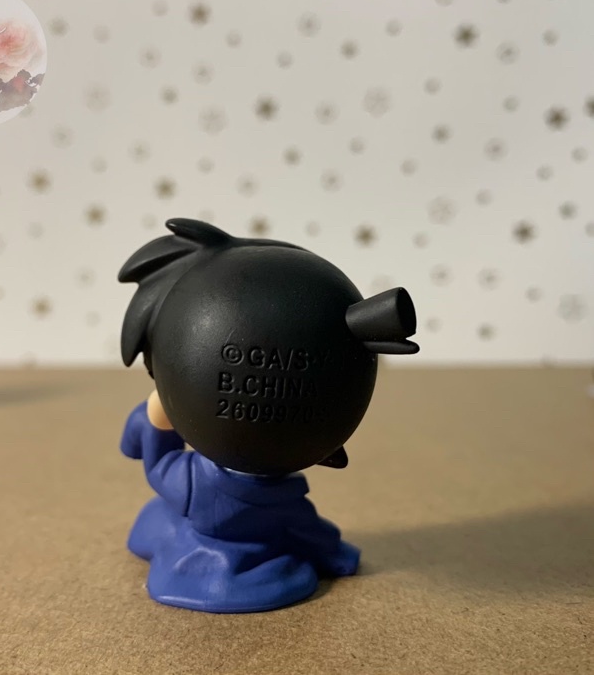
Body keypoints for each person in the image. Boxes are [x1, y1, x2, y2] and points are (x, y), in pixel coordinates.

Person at [118, 218, 419, 612]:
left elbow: (158, 466)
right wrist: (337, 554)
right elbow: (309, 531)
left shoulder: (193, 485)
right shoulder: (284, 500)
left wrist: (154, 421)